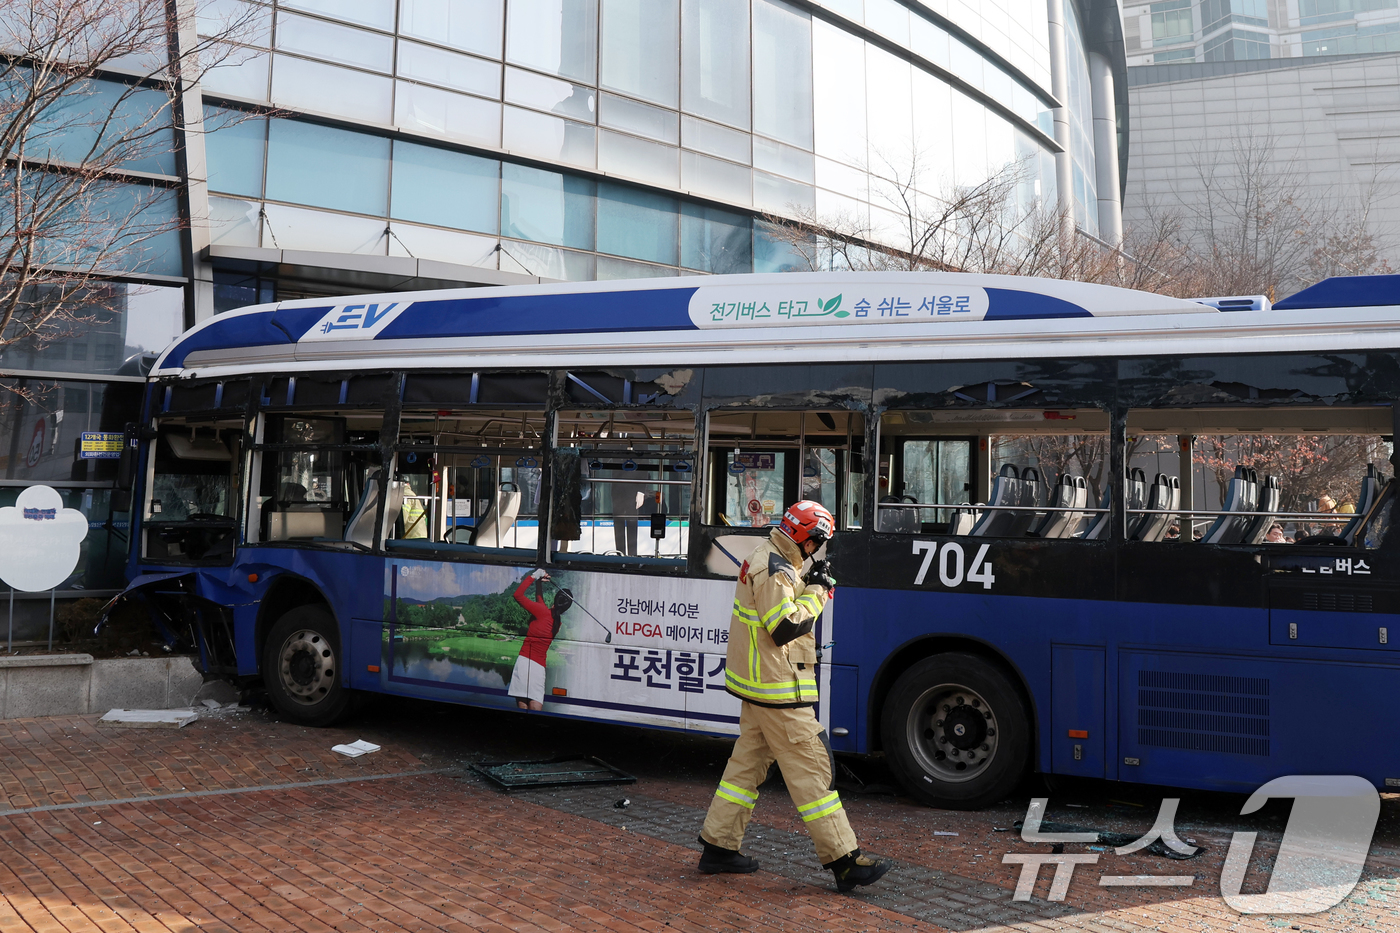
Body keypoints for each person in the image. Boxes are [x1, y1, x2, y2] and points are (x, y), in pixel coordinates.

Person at [696, 500, 889, 893]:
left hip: (760, 687)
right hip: (778, 690)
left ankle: (718, 847)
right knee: (813, 770)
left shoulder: (776, 559)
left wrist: (808, 579)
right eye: (819, 543)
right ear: (806, 537)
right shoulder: (775, 567)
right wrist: (818, 590)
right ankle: (845, 861)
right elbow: (783, 627)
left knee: (744, 770)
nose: (820, 551)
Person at [507, 569, 572, 710]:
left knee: (522, 705)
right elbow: (540, 603)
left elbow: (517, 595)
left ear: (555, 599)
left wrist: (534, 576)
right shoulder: (557, 624)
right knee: (535, 705)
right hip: (539, 667)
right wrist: (539, 584)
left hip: (524, 662)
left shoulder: (542, 613)